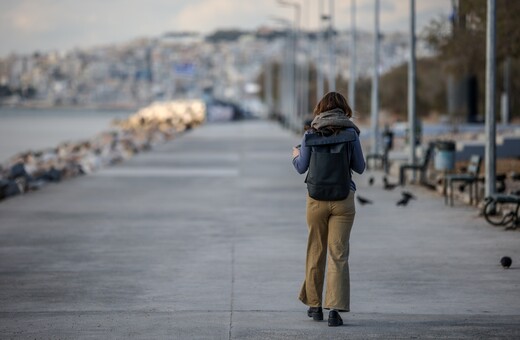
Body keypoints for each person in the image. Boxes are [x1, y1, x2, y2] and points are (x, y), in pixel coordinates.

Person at [292, 91, 365, 327]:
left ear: (320, 109)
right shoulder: (351, 133)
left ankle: (315, 306)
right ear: (344, 109)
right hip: (343, 199)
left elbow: (301, 168)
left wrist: (296, 155)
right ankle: (334, 310)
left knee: (316, 250)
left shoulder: (310, 133)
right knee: (339, 254)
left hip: (316, 200)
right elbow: (360, 167)